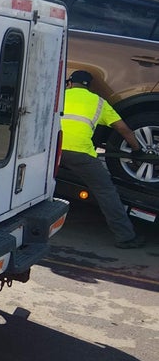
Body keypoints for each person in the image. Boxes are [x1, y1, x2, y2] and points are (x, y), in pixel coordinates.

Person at [60, 70, 152, 249]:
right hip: (82, 155)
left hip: (52, 151)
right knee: (106, 192)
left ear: (70, 83)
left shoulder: (59, 96)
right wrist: (137, 150)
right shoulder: (99, 102)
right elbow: (123, 129)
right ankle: (125, 237)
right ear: (90, 87)